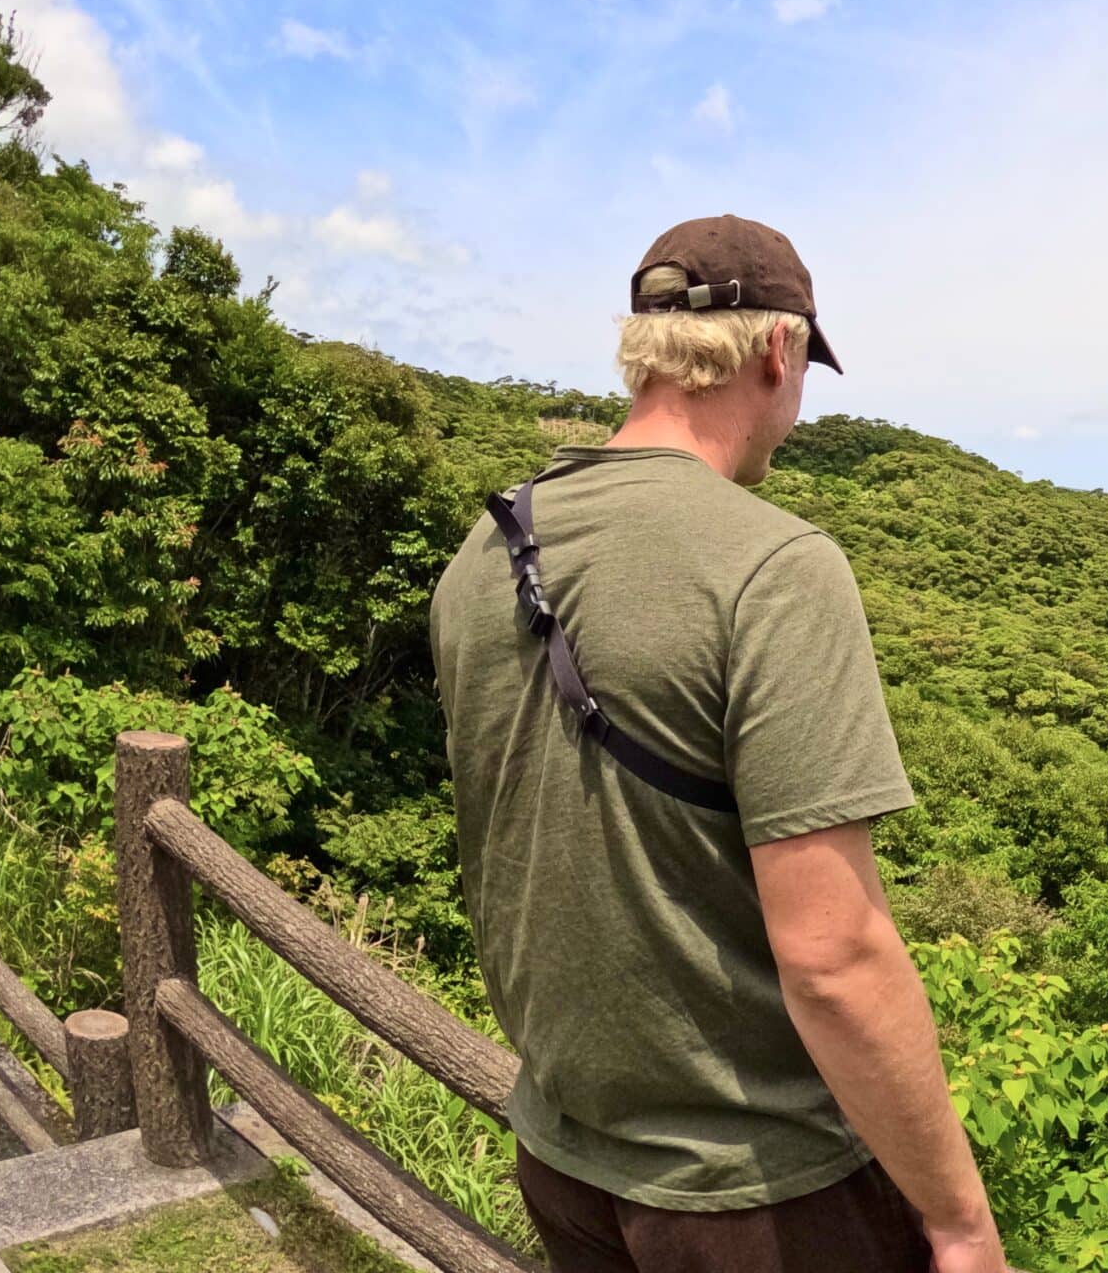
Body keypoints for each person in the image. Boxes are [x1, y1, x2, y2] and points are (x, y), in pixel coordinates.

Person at [430, 215, 1007, 1273]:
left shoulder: (487, 544)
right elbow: (833, 953)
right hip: (758, 1194)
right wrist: (961, 1217)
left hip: (563, 1151)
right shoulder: (775, 565)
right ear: (778, 351)